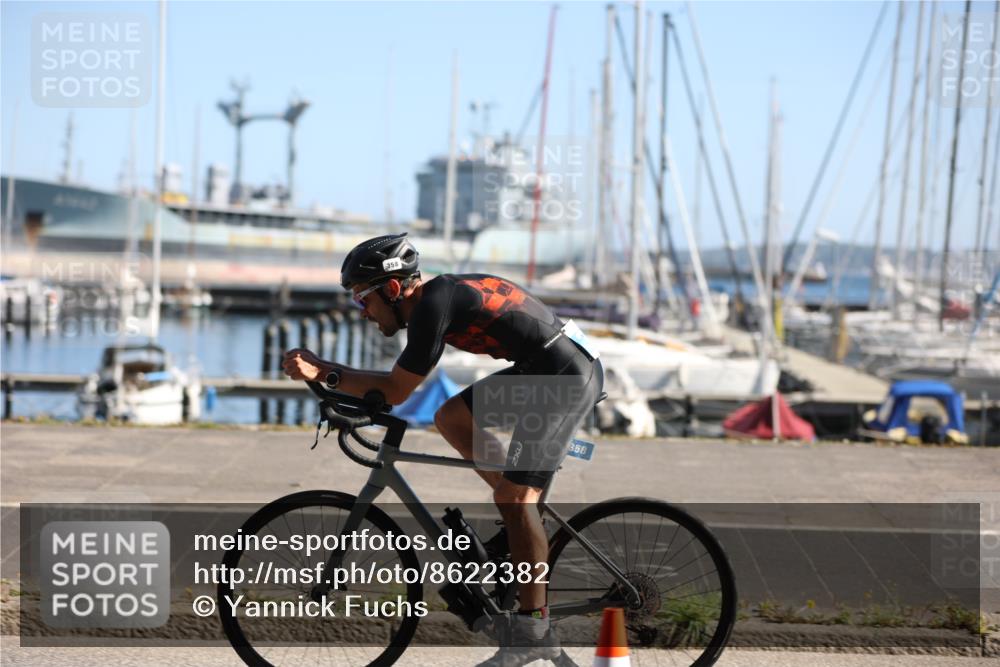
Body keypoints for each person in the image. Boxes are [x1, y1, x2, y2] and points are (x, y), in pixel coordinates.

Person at [282, 233, 603, 666]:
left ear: (393, 290)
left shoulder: (433, 305)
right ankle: (518, 526)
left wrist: (326, 372)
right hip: (541, 369)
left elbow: (396, 390)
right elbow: (395, 389)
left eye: (364, 299)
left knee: (513, 497)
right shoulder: (435, 301)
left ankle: (533, 630)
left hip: (563, 377)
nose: (363, 312)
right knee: (451, 418)